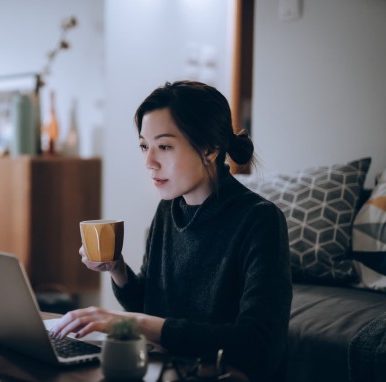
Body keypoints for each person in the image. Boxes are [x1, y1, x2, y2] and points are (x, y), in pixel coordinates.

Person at [50, 80, 292, 382]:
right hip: (167, 368)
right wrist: (118, 269)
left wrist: (131, 322)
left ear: (210, 148)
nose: (149, 162)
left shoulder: (260, 220)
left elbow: (260, 344)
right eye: (143, 146)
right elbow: (150, 306)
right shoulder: (169, 210)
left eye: (164, 146)